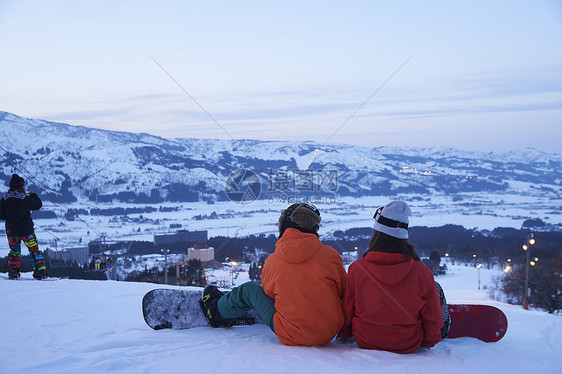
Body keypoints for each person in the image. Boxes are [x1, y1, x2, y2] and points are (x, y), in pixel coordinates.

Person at [200, 203, 347, 346]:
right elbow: (342, 290)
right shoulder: (330, 255)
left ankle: (216, 313)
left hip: (291, 334)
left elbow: (269, 293)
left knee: (249, 290)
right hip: (329, 332)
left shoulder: (273, 261)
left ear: (283, 227)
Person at [337, 201, 444, 353]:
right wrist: (429, 341)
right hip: (407, 343)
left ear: (377, 233)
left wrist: (345, 334)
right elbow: (433, 316)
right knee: (437, 289)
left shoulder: (357, 269)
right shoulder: (421, 271)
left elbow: (348, 308)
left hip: (366, 340)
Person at [0, 174, 47, 279]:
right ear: (21, 185)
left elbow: (1, 215)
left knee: (14, 252)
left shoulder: (5, 199)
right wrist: (33, 195)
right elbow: (37, 205)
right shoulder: (24, 198)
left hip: (11, 231)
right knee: (34, 250)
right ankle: (39, 271)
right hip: (27, 230)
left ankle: (13, 271)